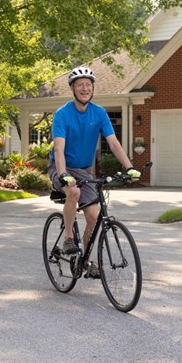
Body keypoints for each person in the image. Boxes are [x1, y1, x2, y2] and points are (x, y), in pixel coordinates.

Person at [48, 66, 140, 278]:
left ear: (92, 88)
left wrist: (129, 167)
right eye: (80, 84)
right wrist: (63, 175)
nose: (85, 88)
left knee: (94, 215)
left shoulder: (99, 113)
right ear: (72, 88)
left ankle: (85, 260)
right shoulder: (62, 115)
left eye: (88, 84)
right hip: (61, 167)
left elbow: (114, 143)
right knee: (73, 192)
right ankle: (69, 238)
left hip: (84, 170)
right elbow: (59, 149)